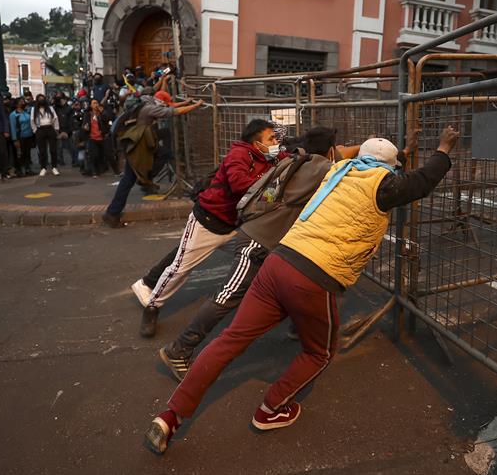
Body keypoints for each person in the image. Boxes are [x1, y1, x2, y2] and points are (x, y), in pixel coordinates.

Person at [143, 126, 460, 455]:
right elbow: (421, 182)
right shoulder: (382, 184)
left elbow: (378, 163)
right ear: (390, 169)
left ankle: (169, 416)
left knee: (230, 339)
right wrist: (444, 148)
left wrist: (405, 151)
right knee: (318, 353)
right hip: (312, 274)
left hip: (278, 260)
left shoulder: (337, 170)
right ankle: (271, 409)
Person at [158, 127, 362, 381]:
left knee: (282, 291)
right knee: (227, 296)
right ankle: (178, 350)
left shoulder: (294, 160)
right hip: (258, 242)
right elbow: (345, 153)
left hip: (263, 237)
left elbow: (268, 197)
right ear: (330, 150)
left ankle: (299, 328)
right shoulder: (322, 168)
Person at [131, 118, 285, 338]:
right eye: (271, 138)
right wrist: (271, 178)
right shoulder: (239, 155)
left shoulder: (268, 157)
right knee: (180, 269)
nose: (275, 142)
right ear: (255, 141)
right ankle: (152, 306)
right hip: (208, 222)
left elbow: (280, 171)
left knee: (260, 256)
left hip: (235, 225)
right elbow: (240, 184)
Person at [101, 93, 204, 228]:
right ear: (159, 101)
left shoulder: (144, 102)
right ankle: (112, 213)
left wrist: (187, 102)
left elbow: (170, 106)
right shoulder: (150, 108)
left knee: (130, 178)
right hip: (137, 146)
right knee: (128, 179)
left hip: (132, 144)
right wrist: (196, 105)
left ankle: (114, 211)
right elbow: (174, 111)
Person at [30, 94, 60, 176]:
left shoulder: (50, 108)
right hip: (40, 129)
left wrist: (56, 129)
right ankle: (43, 168)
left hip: (50, 128)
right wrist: (35, 130)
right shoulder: (34, 109)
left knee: (53, 149)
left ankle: (54, 167)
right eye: (39, 99)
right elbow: (32, 120)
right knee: (42, 150)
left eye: (43, 99)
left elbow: (55, 118)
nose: (41, 100)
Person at [81, 99, 109, 177]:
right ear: (91, 105)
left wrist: (102, 112)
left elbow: (107, 120)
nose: (96, 104)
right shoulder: (88, 114)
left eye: (97, 103)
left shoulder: (101, 113)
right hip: (92, 138)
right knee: (94, 155)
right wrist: (85, 127)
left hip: (102, 137)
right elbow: (84, 125)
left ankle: (100, 169)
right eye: (94, 103)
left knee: (103, 155)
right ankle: (94, 172)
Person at [9, 99, 35, 177]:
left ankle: (27, 169)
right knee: (20, 154)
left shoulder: (26, 112)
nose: (23, 103)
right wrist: (15, 139)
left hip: (28, 136)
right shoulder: (13, 115)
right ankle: (19, 170)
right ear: (17, 104)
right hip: (20, 136)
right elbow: (13, 127)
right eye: (21, 102)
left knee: (27, 154)